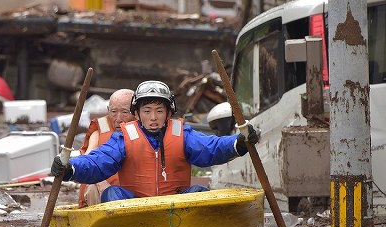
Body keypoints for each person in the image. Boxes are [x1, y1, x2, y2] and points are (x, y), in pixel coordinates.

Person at [51, 80, 260, 202]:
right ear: (137, 114)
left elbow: (211, 148)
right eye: (147, 111)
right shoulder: (124, 137)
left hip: (174, 206)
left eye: (159, 111)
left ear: (168, 113)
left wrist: (239, 143)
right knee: (112, 193)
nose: (153, 117)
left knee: (200, 193)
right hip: (135, 208)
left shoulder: (183, 133)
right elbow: (97, 162)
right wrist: (70, 168)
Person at [77, 89, 135, 207]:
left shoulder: (145, 128)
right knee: (93, 186)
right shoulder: (101, 128)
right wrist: (101, 183)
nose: (118, 118)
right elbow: (89, 159)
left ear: (136, 112)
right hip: (104, 190)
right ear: (108, 110)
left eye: (125, 112)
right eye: (113, 111)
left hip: (133, 192)